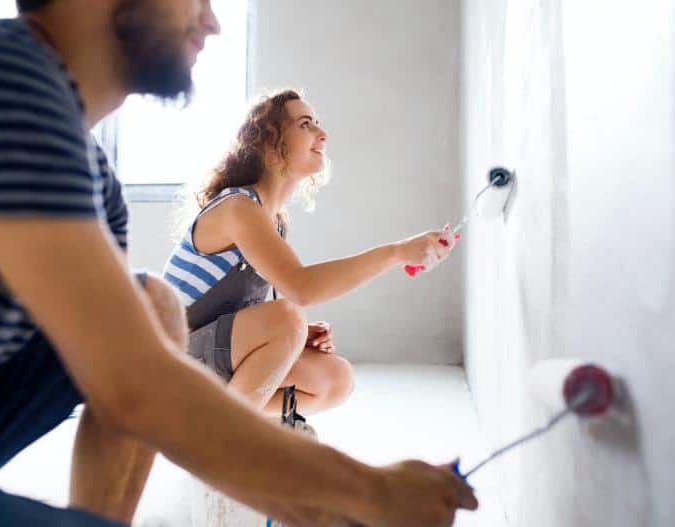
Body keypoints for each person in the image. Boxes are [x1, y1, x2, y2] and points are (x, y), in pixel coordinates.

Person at [0, 1, 478, 526]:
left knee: (149, 305)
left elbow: (132, 363)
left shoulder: (96, 182)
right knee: (157, 339)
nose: (212, 22)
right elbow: (134, 381)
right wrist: (367, 492)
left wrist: (316, 504)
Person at [165, 89, 459, 427]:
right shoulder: (237, 206)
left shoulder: (272, 221)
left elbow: (246, 314)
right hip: (168, 364)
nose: (323, 134)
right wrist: (396, 252)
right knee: (287, 318)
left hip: (203, 357)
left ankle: (218, 423)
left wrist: (290, 340)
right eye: (306, 124)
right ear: (269, 141)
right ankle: (226, 442)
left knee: (335, 378)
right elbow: (301, 288)